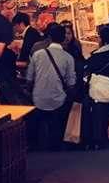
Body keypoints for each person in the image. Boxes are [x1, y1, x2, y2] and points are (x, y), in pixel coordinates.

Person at [25, 21, 77, 150]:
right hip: (58, 99)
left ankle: (35, 143)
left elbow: (29, 78)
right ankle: (56, 143)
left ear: (50, 37)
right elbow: (71, 83)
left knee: (37, 120)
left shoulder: (37, 55)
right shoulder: (68, 58)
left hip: (38, 98)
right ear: (63, 38)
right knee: (57, 121)